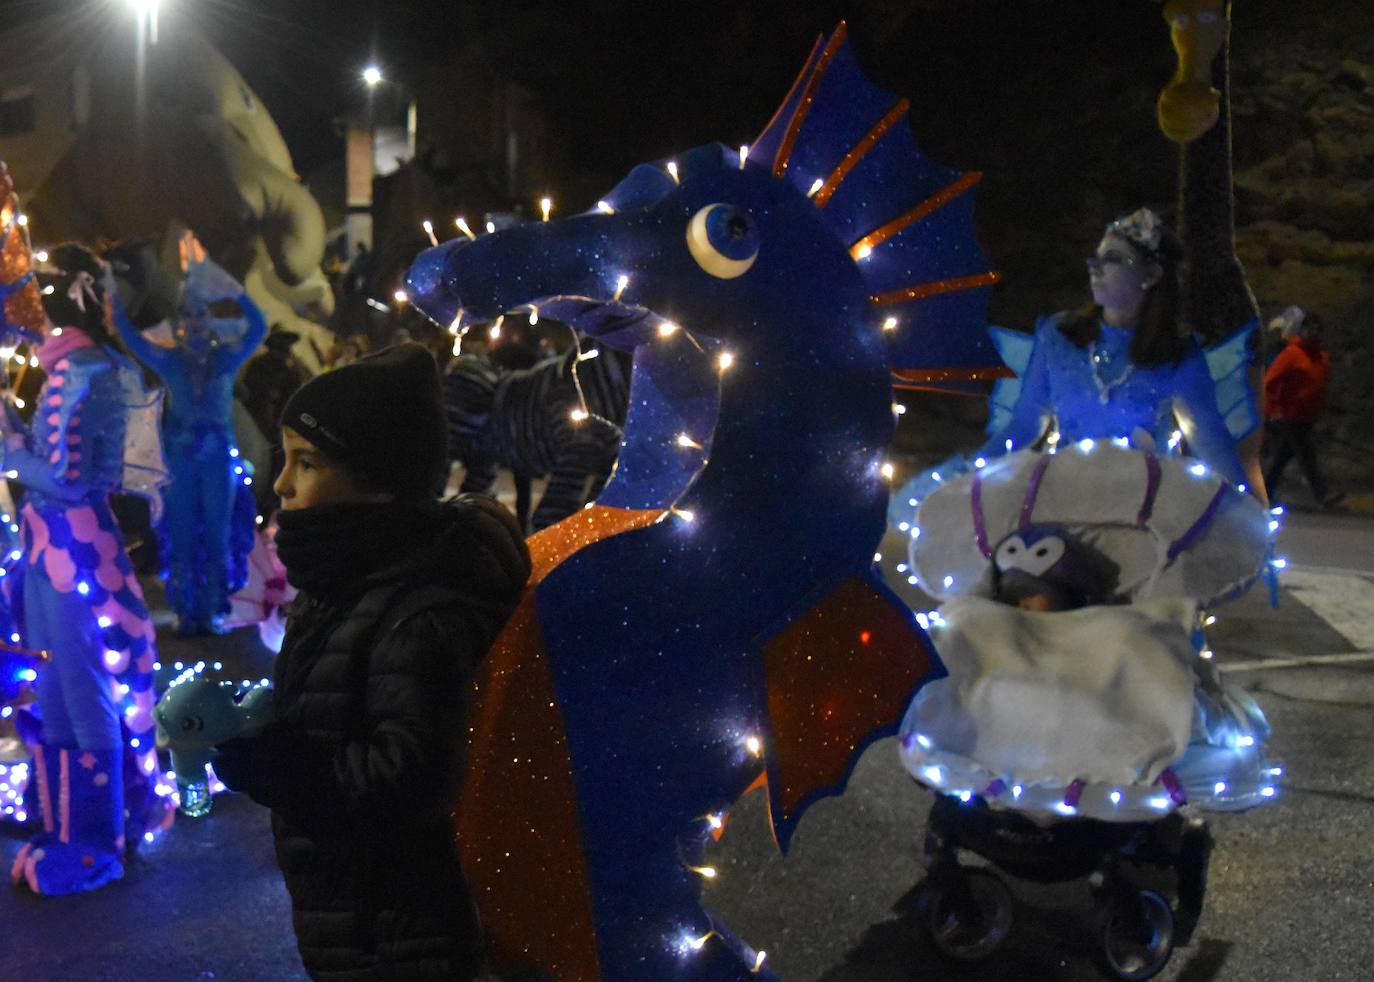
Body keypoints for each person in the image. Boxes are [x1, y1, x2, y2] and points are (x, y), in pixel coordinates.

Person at [212, 342, 531, 981]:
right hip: (352, 914)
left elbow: (410, 779)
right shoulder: (345, 577)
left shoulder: (416, 607)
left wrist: (280, 767)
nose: (281, 484)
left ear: (378, 482)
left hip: (401, 934)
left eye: (306, 462)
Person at [5, 244, 171, 895]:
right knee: (53, 694)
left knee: (84, 695)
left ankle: (99, 840)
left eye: (32, 291)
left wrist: (9, 454)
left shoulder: (92, 372)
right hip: (47, 546)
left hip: (78, 549)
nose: (23, 306)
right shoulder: (60, 369)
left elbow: (74, 479)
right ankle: (66, 823)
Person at [112, 254, 266, 635]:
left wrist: (236, 293)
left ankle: (214, 609)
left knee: (217, 532)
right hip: (179, 460)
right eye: (189, 316)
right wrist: (111, 295)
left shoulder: (226, 358)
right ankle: (184, 610)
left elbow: (259, 327)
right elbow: (127, 335)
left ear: (210, 320)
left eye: (201, 315)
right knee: (179, 533)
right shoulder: (169, 360)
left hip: (217, 460)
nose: (195, 321)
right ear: (180, 324)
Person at [1263, 308, 1340, 508]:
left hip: (1308, 416)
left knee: (1282, 458)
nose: (1313, 333)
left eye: (1317, 329)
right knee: (1307, 456)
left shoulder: (1321, 357)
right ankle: (1322, 495)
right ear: (1302, 330)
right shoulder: (1291, 354)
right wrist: (1273, 408)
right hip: (1290, 415)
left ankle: (1262, 493)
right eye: (1309, 329)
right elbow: (1270, 380)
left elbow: (1321, 385)